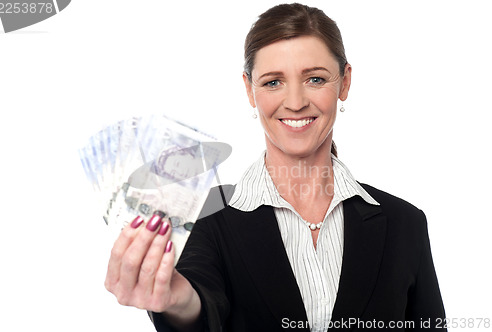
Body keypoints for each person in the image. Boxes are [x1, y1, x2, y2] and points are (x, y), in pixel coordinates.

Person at [104, 3, 446, 331]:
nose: (295, 103)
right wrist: (178, 301)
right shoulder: (208, 213)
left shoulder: (405, 224)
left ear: (344, 82)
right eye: (272, 82)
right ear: (250, 91)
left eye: (315, 79)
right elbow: (199, 300)